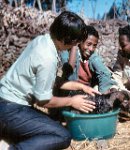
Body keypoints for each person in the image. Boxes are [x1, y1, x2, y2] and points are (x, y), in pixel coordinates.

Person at [0, 11, 101, 150]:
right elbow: (43, 101)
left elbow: (49, 79)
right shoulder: (48, 58)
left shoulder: (42, 40)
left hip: (4, 102)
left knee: (52, 124)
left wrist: (80, 86)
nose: (76, 45)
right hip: (12, 110)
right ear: (67, 38)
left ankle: (6, 139)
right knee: (63, 136)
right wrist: (72, 101)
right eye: (76, 41)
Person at [60, 25, 117, 94]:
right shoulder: (67, 52)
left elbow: (104, 74)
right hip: (69, 90)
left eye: (94, 45)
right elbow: (69, 75)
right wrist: (74, 47)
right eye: (88, 44)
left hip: (86, 90)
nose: (91, 49)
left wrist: (102, 95)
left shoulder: (93, 57)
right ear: (80, 41)